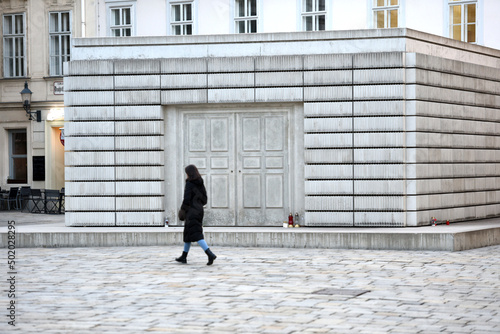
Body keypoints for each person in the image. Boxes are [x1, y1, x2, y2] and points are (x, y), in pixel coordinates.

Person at [175, 165, 217, 265]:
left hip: (191, 211)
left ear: (189, 173)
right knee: (188, 233)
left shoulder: (189, 184)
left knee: (197, 234)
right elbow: (205, 199)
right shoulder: (200, 183)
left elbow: (186, 199)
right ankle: (184, 256)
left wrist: (182, 210)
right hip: (199, 210)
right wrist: (198, 204)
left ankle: (210, 254)